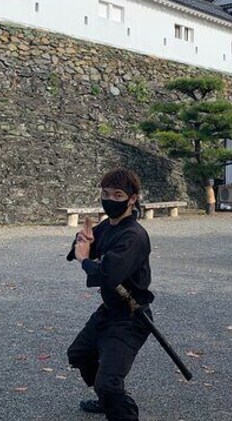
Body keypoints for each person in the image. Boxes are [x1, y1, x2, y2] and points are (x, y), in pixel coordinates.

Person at [67, 169, 154, 420]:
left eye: (118, 195)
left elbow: (107, 275)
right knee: (80, 354)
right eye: (105, 194)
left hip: (131, 317)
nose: (110, 200)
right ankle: (107, 400)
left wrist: (84, 259)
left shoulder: (134, 236)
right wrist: (81, 240)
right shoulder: (107, 226)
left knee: (109, 382)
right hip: (110, 310)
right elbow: (88, 247)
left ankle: (118, 405)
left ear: (132, 199)